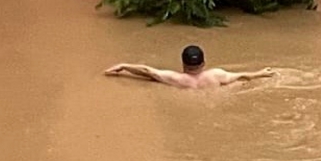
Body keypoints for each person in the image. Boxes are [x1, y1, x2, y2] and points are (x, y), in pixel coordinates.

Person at [104, 45, 275, 90]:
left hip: (187, 91)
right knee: (236, 85)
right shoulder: (216, 75)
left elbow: (148, 71)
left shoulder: (175, 79)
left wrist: (123, 66)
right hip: (214, 94)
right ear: (203, 63)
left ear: (183, 64)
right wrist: (260, 74)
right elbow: (242, 76)